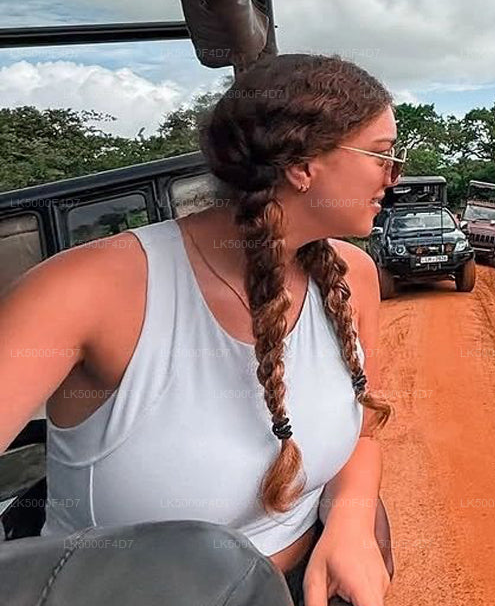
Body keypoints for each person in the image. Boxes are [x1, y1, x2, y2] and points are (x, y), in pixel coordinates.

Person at [0, 54, 404, 606]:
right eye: (382, 156)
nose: (393, 177)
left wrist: (351, 526)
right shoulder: (87, 288)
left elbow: (362, 429)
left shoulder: (352, 275)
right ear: (303, 165)